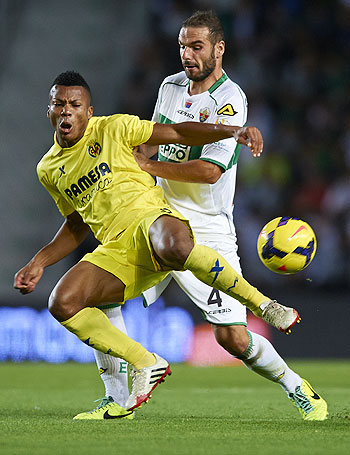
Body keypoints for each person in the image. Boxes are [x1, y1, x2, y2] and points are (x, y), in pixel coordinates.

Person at [80, 11, 328, 422]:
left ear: (219, 48)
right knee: (101, 294)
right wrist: (135, 164)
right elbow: (153, 141)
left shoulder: (232, 100)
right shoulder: (170, 86)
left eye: (196, 47)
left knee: (231, 336)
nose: (187, 55)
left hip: (207, 226)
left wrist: (150, 168)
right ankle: (117, 397)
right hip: (156, 215)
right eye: (182, 46)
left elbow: (210, 171)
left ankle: (297, 387)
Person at [15, 69, 296, 420]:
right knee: (63, 302)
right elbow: (75, 224)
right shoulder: (49, 169)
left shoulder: (115, 127)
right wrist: (40, 262)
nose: (67, 110)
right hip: (117, 250)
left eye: (75, 104)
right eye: (59, 104)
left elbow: (176, 132)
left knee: (174, 246)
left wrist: (232, 130)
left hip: (152, 220)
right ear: (50, 111)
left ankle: (264, 304)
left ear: (89, 111)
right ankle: (146, 363)